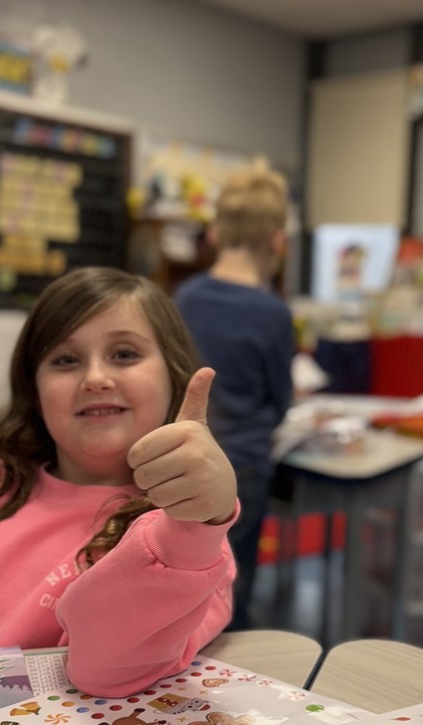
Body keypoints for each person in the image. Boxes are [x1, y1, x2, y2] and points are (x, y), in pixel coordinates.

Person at [0, 267, 238, 697]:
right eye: (66, 360)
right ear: (33, 389)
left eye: (125, 354)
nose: (95, 378)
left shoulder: (191, 546)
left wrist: (195, 523)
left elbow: (109, 670)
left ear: (174, 375)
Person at [174, 161, 296, 631]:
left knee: (187, 580)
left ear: (217, 232)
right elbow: (280, 404)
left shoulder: (185, 297)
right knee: (232, 588)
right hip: (242, 466)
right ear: (276, 240)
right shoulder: (271, 313)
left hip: (185, 457)